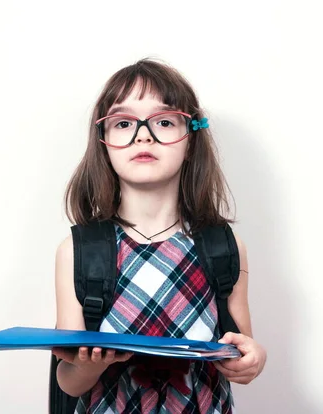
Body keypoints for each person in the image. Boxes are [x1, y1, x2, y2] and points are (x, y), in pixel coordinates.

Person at [52, 58, 267, 413]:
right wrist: (89, 365)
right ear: (103, 141)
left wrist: (252, 359)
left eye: (164, 121)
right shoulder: (78, 250)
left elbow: (239, 351)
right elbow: (69, 380)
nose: (143, 134)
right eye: (123, 123)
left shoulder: (222, 246)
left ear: (191, 139)